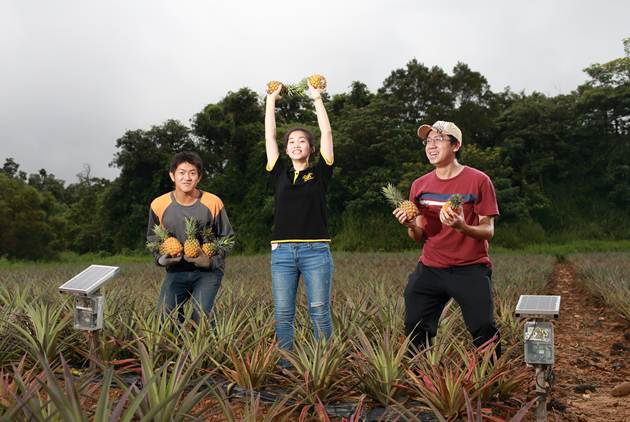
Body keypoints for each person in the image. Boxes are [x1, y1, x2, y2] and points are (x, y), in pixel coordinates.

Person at [394, 121, 501, 357]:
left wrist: (463, 226)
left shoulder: (478, 180)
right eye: (428, 141)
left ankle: (493, 382)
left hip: (469, 268)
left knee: (483, 327)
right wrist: (411, 225)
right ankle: (420, 381)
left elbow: (488, 230)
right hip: (431, 268)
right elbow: (418, 236)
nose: (431, 145)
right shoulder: (419, 185)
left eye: (438, 139)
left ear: (456, 145)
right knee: (414, 326)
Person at [264, 80, 334, 351]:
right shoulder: (279, 173)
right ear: (286, 149)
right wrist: (271, 100)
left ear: (311, 148)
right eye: (291, 141)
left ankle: (324, 365)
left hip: (316, 251)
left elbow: (327, 133)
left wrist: (316, 99)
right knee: (283, 314)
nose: (296, 144)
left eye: (302, 140)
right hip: (281, 253)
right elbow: (270, 136)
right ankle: (286, 365)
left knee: (319, 311)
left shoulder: (320, 173)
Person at [147, 151, 234, 323]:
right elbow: (152, 238)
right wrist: (161, 259)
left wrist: (210, 261)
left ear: (199, 177)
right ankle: (177, 348)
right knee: (165, 315)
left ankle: (208, 347)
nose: (187, 178)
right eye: (182, 172)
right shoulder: (158, 204)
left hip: (207, 272)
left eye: (192, 173)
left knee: (200, 314)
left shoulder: (213, 202)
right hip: (176, 271)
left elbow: (227, 238)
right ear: (172, 175)